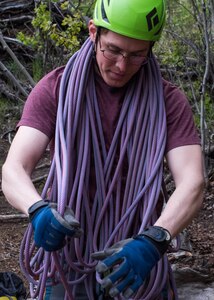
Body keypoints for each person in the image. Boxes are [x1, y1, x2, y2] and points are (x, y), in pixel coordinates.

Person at [1, 0, 204, 299]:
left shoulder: (168, 102)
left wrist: (155, 241)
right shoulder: (56, 89)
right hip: (65, 256)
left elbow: (193, 182)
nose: (122, 66)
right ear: (93, 32)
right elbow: (13, 169)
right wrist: (37, 209)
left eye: (137, 55)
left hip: (135, 257)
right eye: (114, 50)